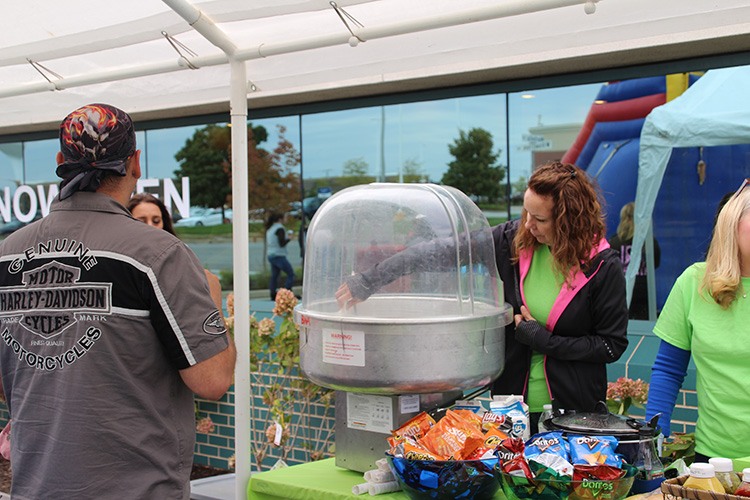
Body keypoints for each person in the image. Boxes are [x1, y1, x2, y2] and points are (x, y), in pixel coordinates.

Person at [0, 103, 236, 499]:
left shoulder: (8, 255)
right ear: (135, 163)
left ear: (61, 161)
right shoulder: (157, 254)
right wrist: (211, 297)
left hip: (36, 488)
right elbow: (212, 380)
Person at [336, 161, 629, 432]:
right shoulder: (512, 242)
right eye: (526, 213)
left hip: (574, 416)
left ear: (569, 222)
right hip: (512, 411)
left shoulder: (603, 267)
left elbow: (610, 345)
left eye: (539, 219)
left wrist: (542, 340)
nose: (528, 225)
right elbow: (441, 251)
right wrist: (369, 280)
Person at [645, 178, 750, 462]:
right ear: (732, 221)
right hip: (714, 461)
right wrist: (653, 439)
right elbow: (668, 369)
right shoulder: (694, 283)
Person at [128, 193, 223, 306]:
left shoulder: (180, 256)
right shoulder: (121, 261)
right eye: (142, 221)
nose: (150, 226)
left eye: (156, 221)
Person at [608, 201, 661, 319]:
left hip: (619, 295)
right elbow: (655, 264)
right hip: (645, 297)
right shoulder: (650, 243)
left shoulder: (613, 243)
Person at [266, 211, 296, 300]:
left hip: (271, 254)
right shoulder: (280, 228)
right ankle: (287, 293)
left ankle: (272, 294)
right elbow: (281, 243)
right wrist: (289, 238)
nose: (285, 219)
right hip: (278, 255)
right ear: (280, 219)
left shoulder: (270, 228)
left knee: (274, 275)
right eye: (284, 218)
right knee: (291, 273)